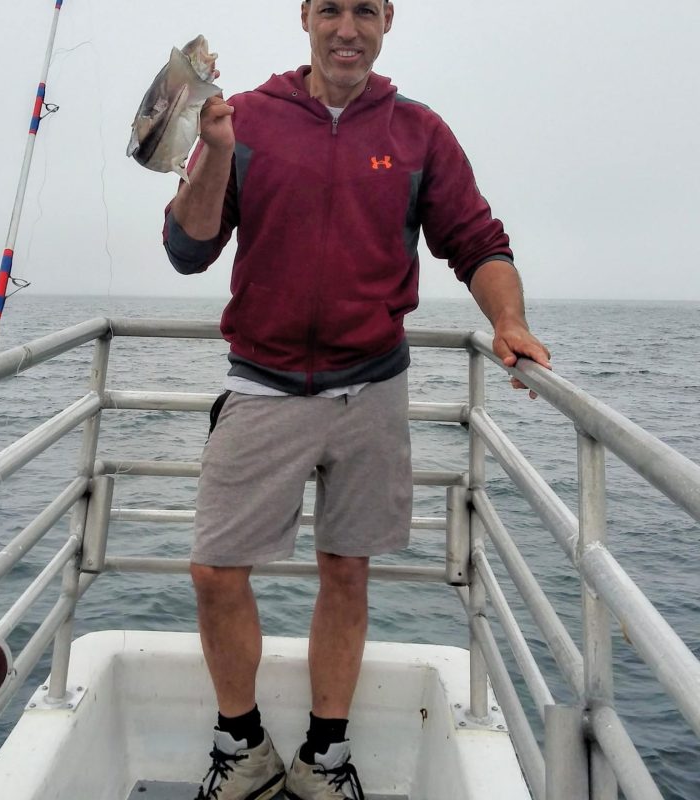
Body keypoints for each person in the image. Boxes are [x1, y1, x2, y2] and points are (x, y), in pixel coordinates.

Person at [163, 2, 551, 799]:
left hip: (373, 385)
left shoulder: (419, 132)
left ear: (387, 22)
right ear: (305, 17)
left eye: (365, 11)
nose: (348, 27)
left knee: (347, 570)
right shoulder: (247, 119)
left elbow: (477, 240)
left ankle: (325, 757)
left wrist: (508, 320)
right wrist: (216, 156)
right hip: (261, 382)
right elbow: (186, 250)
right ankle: (243, 748)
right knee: (212, 571)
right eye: (331, 8)